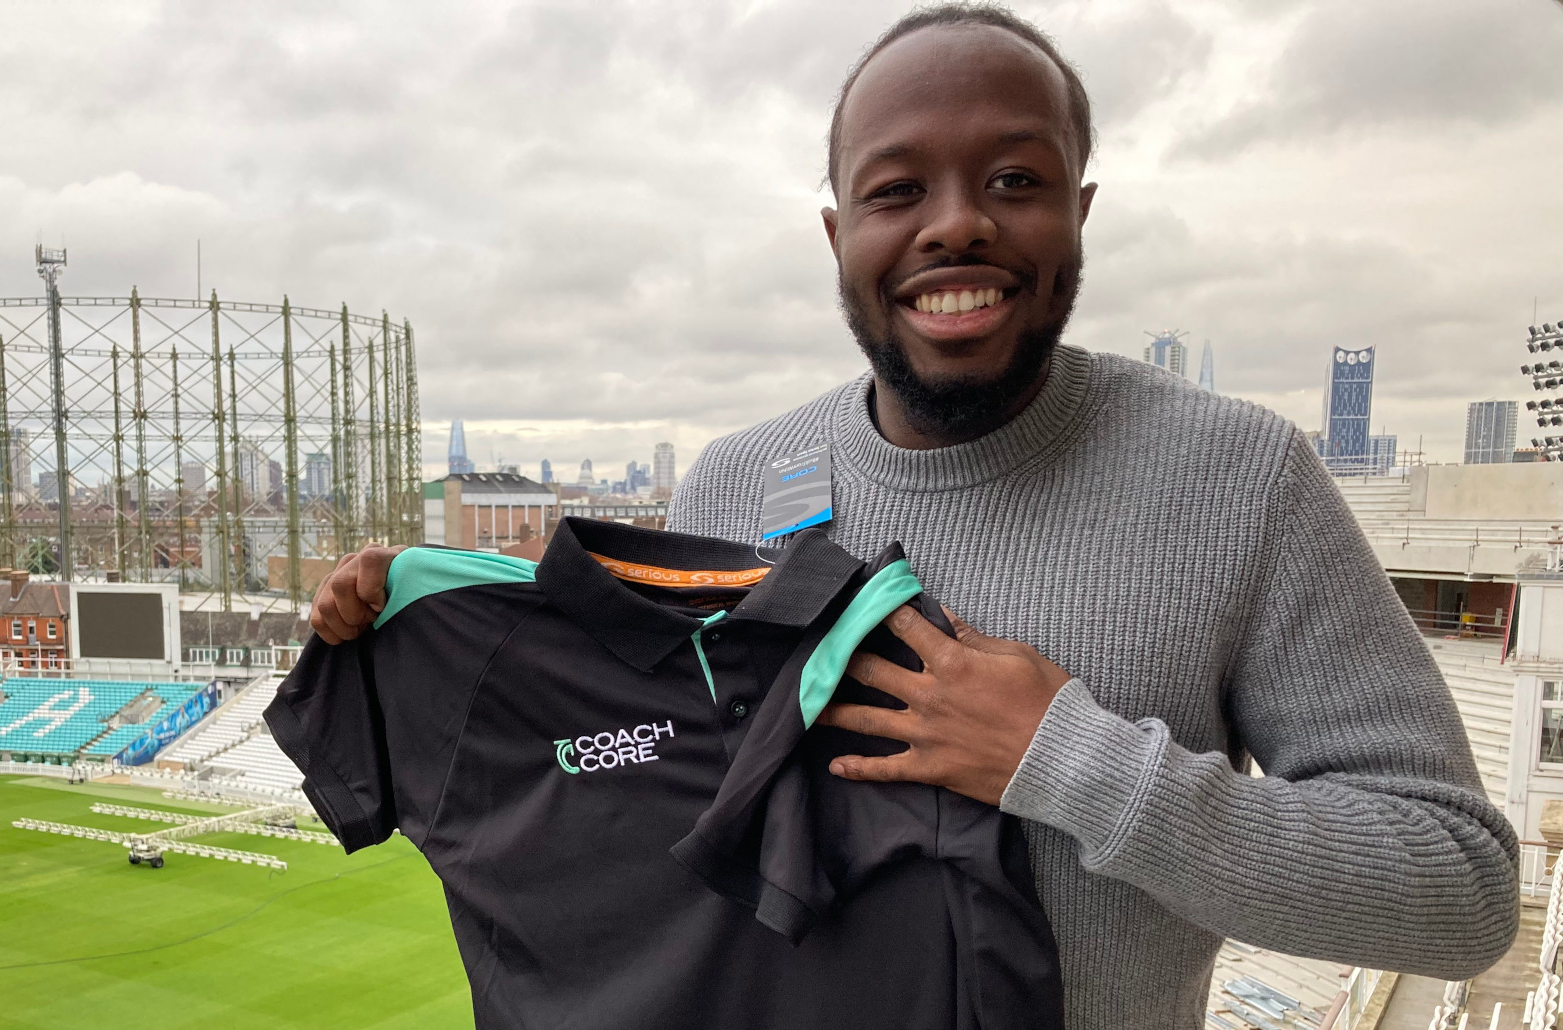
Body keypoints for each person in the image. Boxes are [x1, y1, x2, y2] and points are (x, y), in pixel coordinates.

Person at [308, 5, 1519, 1028]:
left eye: (1013, 180)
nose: (956, 223)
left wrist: (1070, 760)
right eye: (898, 190)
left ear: (1078, 212)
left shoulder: (1237, 480)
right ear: (841, 235)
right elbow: (627, 769)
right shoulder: (731, 484)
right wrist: (417, 608)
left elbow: (1459, 892)